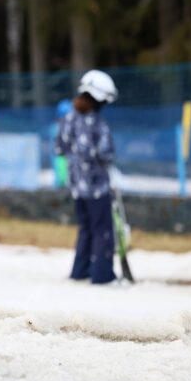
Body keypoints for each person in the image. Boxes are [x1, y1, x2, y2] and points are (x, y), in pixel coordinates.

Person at [54, 70, 118, 284]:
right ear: (99, 99)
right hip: (97, 187)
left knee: (86, 229)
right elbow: (106, 154)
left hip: (77, 187)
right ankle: (102, 275)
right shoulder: (98, 124)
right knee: (102, 230)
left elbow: (59, 148)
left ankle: (80, 271)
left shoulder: (67, 119)